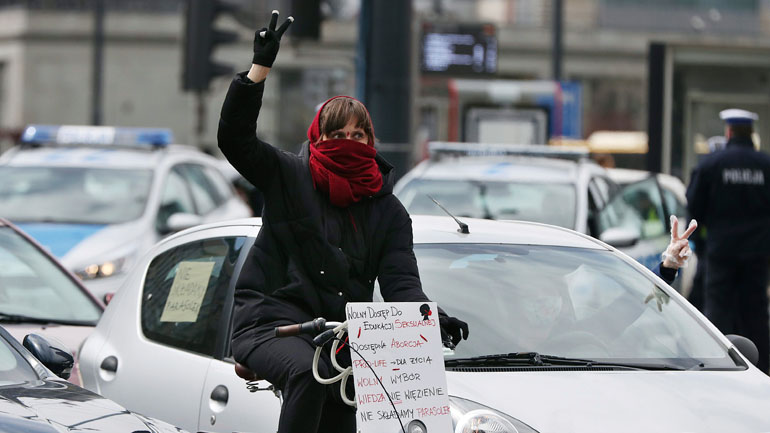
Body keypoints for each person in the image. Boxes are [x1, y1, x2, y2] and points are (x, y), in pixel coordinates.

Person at [217, 11, 469, 433]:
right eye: (337, 135)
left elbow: (401, 284)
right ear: (318, 138)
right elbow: (235, 139)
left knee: (350, 403)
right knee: (307, 374)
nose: (348, 144)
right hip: (270, 324)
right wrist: (259, 70)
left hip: (340, 337)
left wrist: (430, 316)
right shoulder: (289, 176)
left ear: (371, 142)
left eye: (358, 136)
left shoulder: (388, 212)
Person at [686, 108, 770, 374]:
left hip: (721, 253)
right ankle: (763, 369)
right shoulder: (765, 165)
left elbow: (694, 205)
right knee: (755, 314)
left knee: (717, 313)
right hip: (756, 253)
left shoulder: (712, 164)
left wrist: (701, 242)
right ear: (751, 133)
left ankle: (716, 367)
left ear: (729, 131)